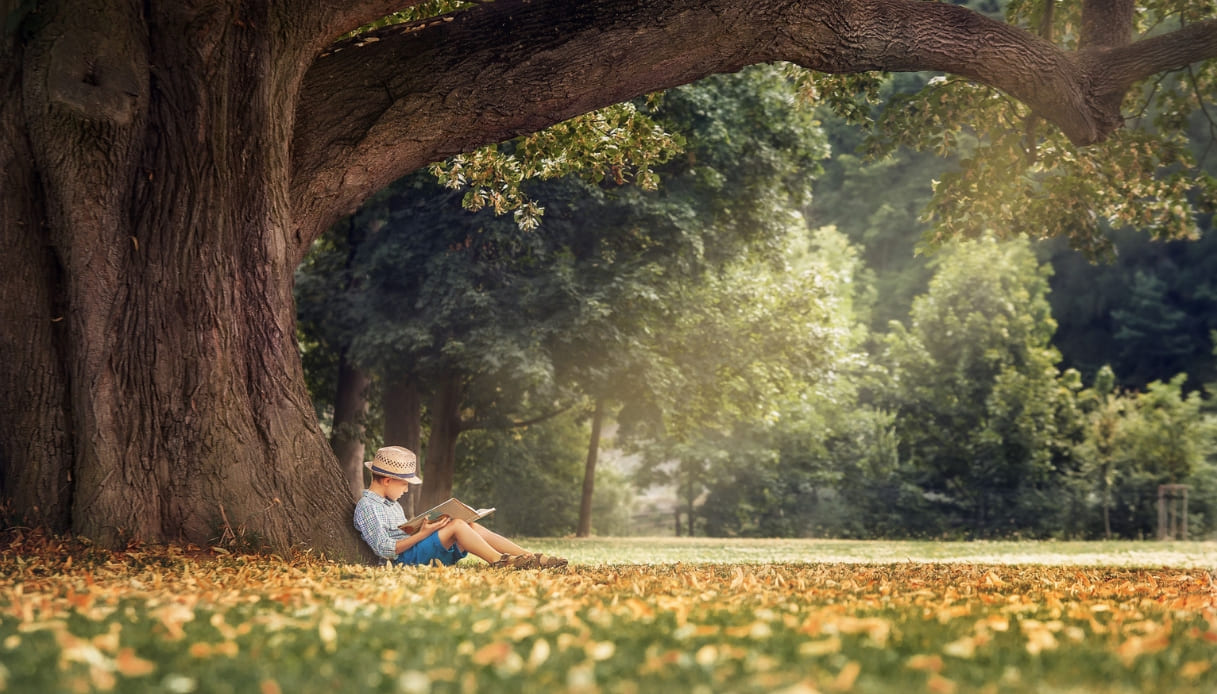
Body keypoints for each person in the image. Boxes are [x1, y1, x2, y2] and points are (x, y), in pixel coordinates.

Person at [353, 446, 567, 569]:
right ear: (388, 480)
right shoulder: (368, 507)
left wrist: (426, 527)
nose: (407, 490)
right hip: (402, 560)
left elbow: (403, 534)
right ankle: (499, 562)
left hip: (413, 550)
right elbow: (384, 549)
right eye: (404, 484)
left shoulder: (392, 505)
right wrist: (424, 533)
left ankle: (530, 558)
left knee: (469, 525)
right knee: (456, 525)